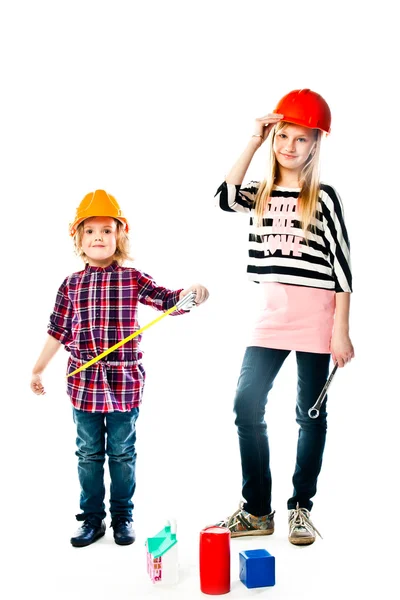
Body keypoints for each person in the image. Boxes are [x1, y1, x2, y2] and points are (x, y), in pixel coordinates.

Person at [213, 89, 354, 546]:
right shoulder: (258, 194)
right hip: (270, 317)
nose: (290, 147)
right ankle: (257, 510)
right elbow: (223, 197)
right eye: (283, 136)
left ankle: (300, 509)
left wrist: (341, 330)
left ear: (316, 145)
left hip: (317, 318)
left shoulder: (325, 198)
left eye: (301, 139)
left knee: (310, 415)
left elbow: (343, 267)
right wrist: (253, 139)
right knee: (245, 405)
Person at [30, 189, 209, 547]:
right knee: (88, 454)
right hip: (83, 384)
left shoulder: (131, 278)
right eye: (91, 230)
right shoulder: (70, 284)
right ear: (78, 238)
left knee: (123, 453)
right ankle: (92, 519)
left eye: (107, 230)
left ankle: (122, 517)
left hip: (125, 383)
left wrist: (190, 294)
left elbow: (165, 300)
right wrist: (37, 369)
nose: (99, 237)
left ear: (119, 236)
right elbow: (57, 331)